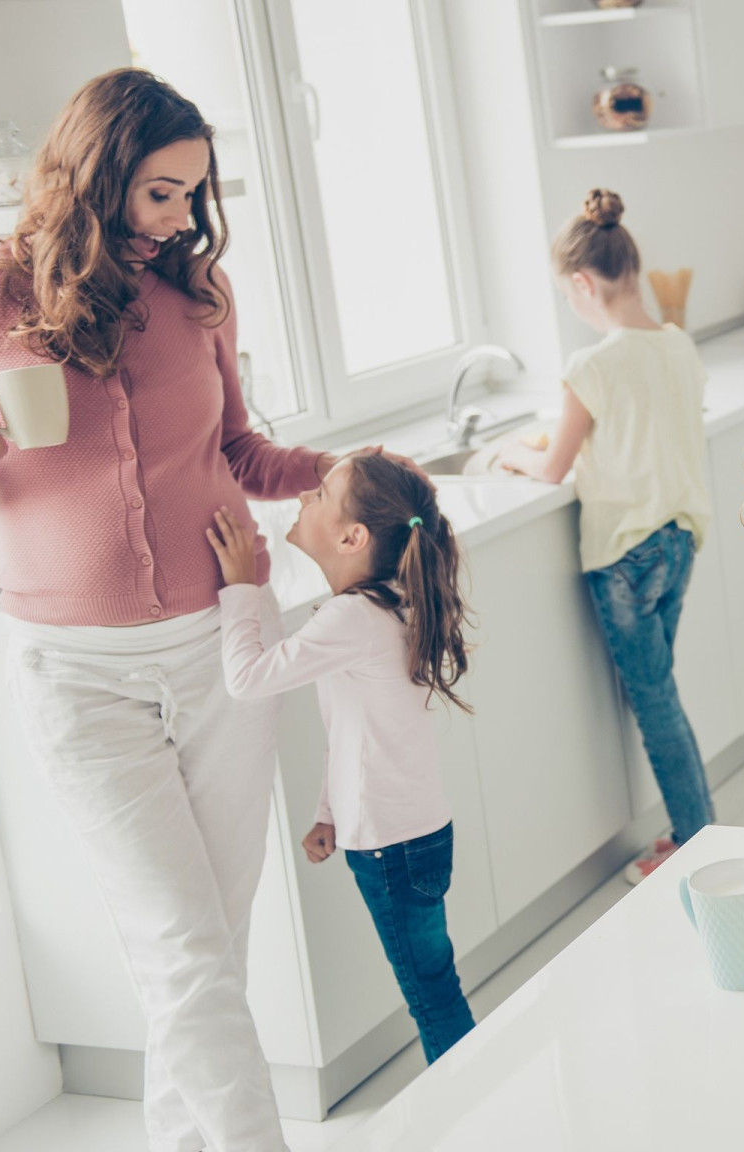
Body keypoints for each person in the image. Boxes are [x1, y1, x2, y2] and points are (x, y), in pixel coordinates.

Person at [0, 69, 329, 1150]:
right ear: (96, 175)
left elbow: (240, 449)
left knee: (208, 945)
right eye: (161, 194)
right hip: (75, 671)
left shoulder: (197, 293)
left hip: (222, 647)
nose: (183, 220)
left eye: (196, 196)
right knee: (182, 945)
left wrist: (346, 471)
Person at [208, 451, 478, 1064]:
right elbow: (356, 731)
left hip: (390, 846)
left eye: (320, 493)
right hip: (417, 834)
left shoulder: (351, 617)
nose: (304, 496)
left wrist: (241, 588)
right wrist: (330, 810)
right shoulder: (390, 600)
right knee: (436, 984)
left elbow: (247, 678)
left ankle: (470, 1109)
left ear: (353, 537)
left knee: (429, 994)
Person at [496, 189, 715, 882]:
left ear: (584, 284)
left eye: (569, 296)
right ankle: (694, 830)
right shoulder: (678, 345)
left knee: (656, 705)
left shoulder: (590, 366)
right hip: (679, 542)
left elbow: (555, 464)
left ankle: (696, 838)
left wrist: (512, 456)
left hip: (624, 553)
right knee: (661, 695)